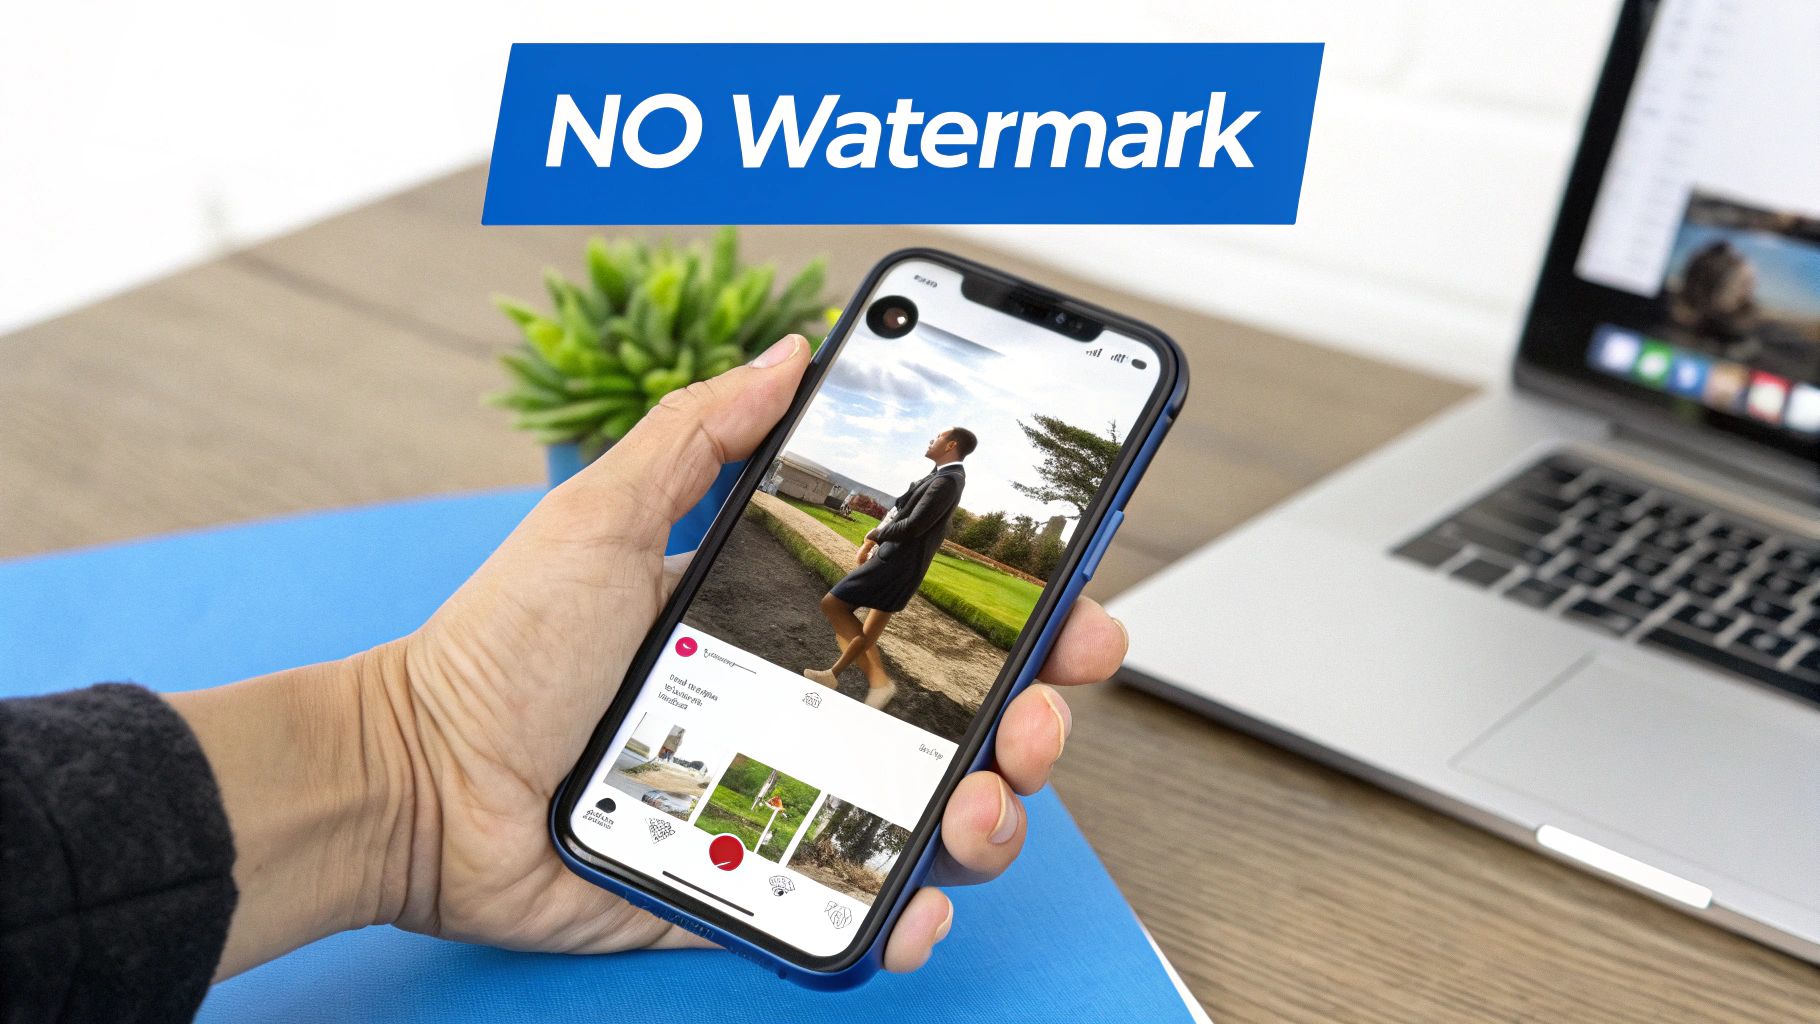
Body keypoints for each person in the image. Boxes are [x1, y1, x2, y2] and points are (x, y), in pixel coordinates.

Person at [0, 335, 1128, 1023]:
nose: (923, 447)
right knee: (857, 631)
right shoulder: (933, 481)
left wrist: (417, 774)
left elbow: (917, 520)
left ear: (948, 448)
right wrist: (417, 768)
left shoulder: (937, 488)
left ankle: (862, 674)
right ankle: (861, 676)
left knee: (863, 622)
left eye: (932, 441)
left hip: (893, 558)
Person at [804, 426, 976, 709]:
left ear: (951, 445)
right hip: (901, 564)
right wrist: (873, 543)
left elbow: (914, 525)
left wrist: (874, 536)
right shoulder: (942, 476)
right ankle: (835, 675)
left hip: (896, 564)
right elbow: (902, 514)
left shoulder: (947, 481)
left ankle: (879, 680)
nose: (931, 439)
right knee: (869, 631)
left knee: (833, 604)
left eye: (938, 437)